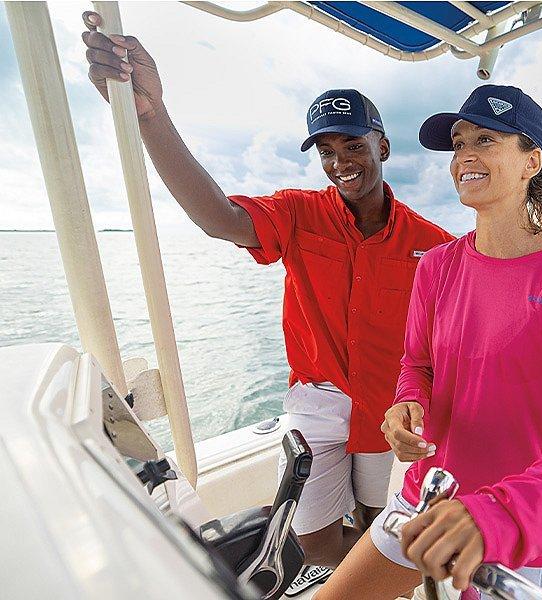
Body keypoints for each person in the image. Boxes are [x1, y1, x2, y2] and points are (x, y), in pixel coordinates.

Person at [80, 12, 454, 570]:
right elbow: (216, 217)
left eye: (352, 146)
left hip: (390, 409)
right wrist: (150, 115)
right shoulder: (298, 214)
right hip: (319, 402)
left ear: (383, 146)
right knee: (316, 541)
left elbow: (464, 324)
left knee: (380, 527)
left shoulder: (435, 244)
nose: (339, 163)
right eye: (325, 151)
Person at [314, 85, 542, 600]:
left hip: (522, 533)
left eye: (486, 139)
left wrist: (508, 511)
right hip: (427, 500)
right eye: (457, 143)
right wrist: (407, 404)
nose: (464, 156)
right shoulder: (436, 265)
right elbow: (418, 364)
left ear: (531, 161)